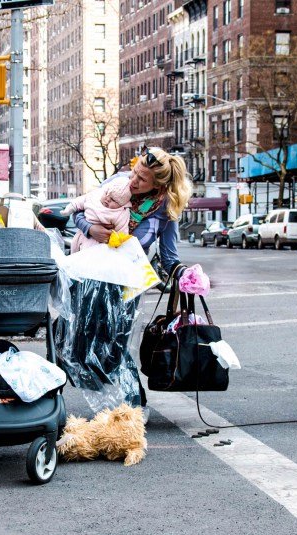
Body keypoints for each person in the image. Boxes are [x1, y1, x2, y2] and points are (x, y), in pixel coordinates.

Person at [58, 146, 192, 419]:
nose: (133, 181)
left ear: (159, 185)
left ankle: (131, 410)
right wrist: (90, 229)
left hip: (126, 283)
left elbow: (169, 257)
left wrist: (183, 274)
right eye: (135, 173)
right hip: (89, 274)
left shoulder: (166, 209)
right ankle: (60, 404)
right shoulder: (116, 184)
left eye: (142, 179)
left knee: (117, 346)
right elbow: (83, 208)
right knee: (76, 343)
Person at [60, 178, 132, 253]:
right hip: (82, 236)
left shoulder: (121, 213)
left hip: (101, 244)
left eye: (113, 199)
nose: (107, 199)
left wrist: (119, 242)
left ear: (121, 204)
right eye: (106, 194)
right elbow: (80, 201)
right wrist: (69, 209)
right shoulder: (95, 197)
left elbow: (122, 231)